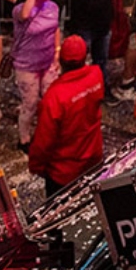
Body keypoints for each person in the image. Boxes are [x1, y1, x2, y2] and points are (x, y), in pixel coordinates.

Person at [28, 34, 104, 197]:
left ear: (61, 60)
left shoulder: (54, 97)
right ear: (85, 57)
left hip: (64, 172)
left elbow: (44, 141)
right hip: (94, 160)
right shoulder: (96, 75)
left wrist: (36, 166)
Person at [11, 0, 61, 151]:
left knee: (49, 100)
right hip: (27, 65)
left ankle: (46, 132)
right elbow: (25, 15)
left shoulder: (53, 7)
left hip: (47, 62)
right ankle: (24, 138)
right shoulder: (19, 10)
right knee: (30, 104)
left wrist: (57, 52)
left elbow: (55, 29)